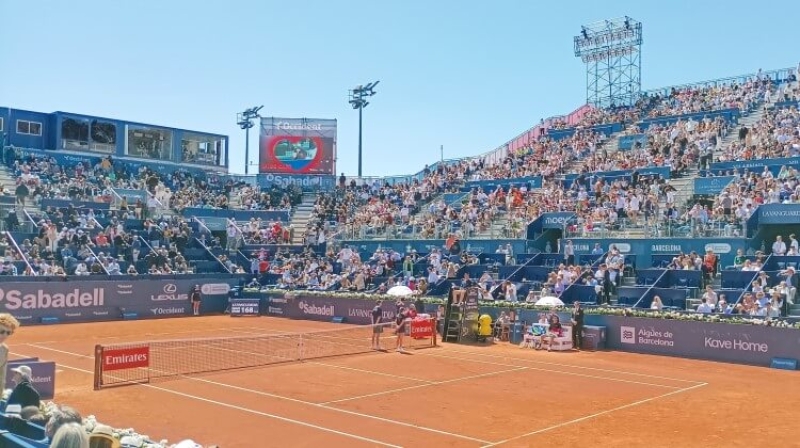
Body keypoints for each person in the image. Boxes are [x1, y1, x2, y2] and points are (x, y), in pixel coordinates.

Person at [0, 313, 20, 390]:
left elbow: (1, 377)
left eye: (8, 333)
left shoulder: (4, 350)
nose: (5, 335)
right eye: (1, 331)